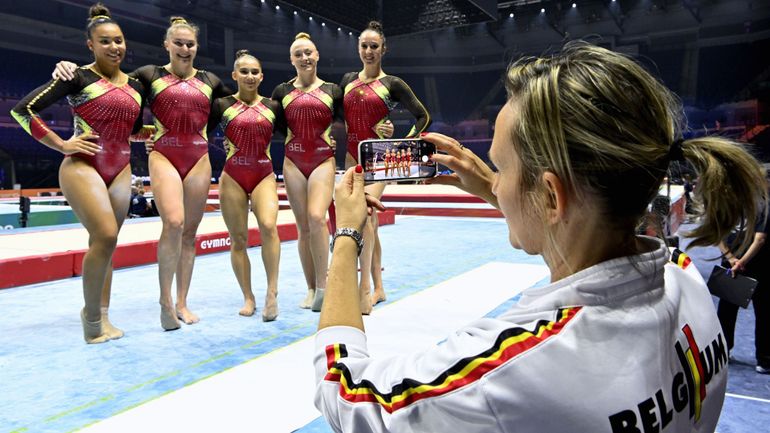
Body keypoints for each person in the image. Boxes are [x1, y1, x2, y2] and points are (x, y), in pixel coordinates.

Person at [313, 42, 766, 432]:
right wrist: (495, 185)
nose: (497, 181)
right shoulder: (686, 280)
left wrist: (348, 232)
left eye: (503, 168)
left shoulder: (506, 374)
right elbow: (581, 230)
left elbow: (341, 388)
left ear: (552, 195)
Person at [54, 16, 232, 330]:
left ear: (197, 47)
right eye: (178, 43)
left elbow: (235, 108)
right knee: (174, 222)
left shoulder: (211, 81)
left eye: (190, 43)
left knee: (189, 234)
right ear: (167, 45)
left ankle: (182, 302)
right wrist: (69, 69)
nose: (185, 48)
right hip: (164, 153)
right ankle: (165, 302)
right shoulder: (147, 76)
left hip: (198, 156)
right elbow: (109, 77)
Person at [11, 3, 149, 343]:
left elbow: (130, 130)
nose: (114, 47)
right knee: (104, 236)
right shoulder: (77, 76)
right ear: (91, 45)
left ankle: (103, 315)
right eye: (105, 41)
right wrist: (62, 144)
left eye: (118, 41)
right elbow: (23, 110)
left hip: (120, 167)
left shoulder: (135, 85)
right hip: (83, 164)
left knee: (108, 243)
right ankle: (90, 322)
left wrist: (158, 133)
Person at [339, 21, 431, 313]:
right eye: (364, 46)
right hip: (352, 157)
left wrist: (399, 143)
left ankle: (364, 288)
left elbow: (423, 116)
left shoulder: (393, 84)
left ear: (383, 49)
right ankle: (379, 287)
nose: (368, 51)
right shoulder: (347, 81)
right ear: (358, 48)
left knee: (365, 216)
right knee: (369, 224)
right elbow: (338, 118)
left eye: (374, 46)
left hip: (379, 159)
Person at [271, 33, 343, 312]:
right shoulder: (281, 92)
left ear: (317, 55)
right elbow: (273, 125)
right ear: (291, 59)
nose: (305, 58)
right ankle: (311, 287)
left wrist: (382, 127)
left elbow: (349, 121)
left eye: (309, 52)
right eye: (298, 54)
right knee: (303, 228)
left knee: (316, 217)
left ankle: (324, 286)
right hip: (293, 161)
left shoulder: (333, 90)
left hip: (323, 158)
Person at [209, 50, 281, 322]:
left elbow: (296, 133)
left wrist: (328, 139)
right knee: (238, 239)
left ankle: (271, 293)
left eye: (254, 72)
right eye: (244, 72)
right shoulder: (221, 105)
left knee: (269, 226)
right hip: (233, 175)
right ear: (234, 75)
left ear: (261, 76)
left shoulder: (273, 106)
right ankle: (248, 296)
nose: (250, 76)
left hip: (263, 173)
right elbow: (195, 131)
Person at [718, 175, 770, 374]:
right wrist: (742, 262)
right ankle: (764, 360)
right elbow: (760, 239)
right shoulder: (763, 204)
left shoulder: (727, 203)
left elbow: (718, 235)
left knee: (726, 312)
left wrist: (732, 260)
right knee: (764, 313)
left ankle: (723, 352)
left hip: (732, 268)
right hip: (759, 267)